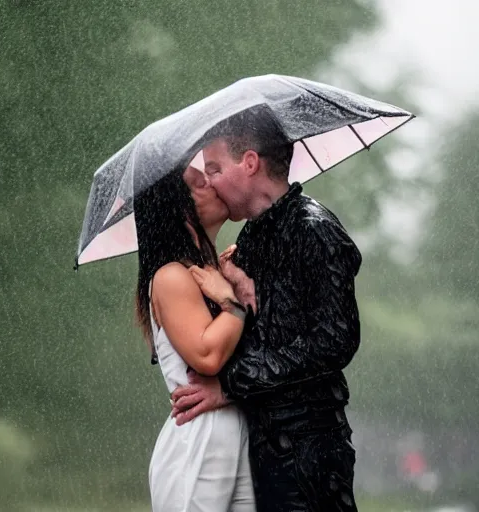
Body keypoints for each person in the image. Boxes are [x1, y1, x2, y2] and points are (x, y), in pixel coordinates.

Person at [171, 112, 363, 511]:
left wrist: (231, 385)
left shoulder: (315, 230)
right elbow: (255, 333)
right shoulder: (252, 238)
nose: (212, 183)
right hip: (261, 442)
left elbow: (333, 342)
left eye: (215, 168)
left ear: (251, 163)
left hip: (310, 449)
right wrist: (229, 278)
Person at [134, 166, 256, 512]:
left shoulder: (217, 273)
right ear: (178, 207)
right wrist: (234, 304)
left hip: (239, 428)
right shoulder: (172, 275)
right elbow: (208, 355)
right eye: (197, 182)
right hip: (199, 434)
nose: (211, 181)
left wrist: (235, 284)